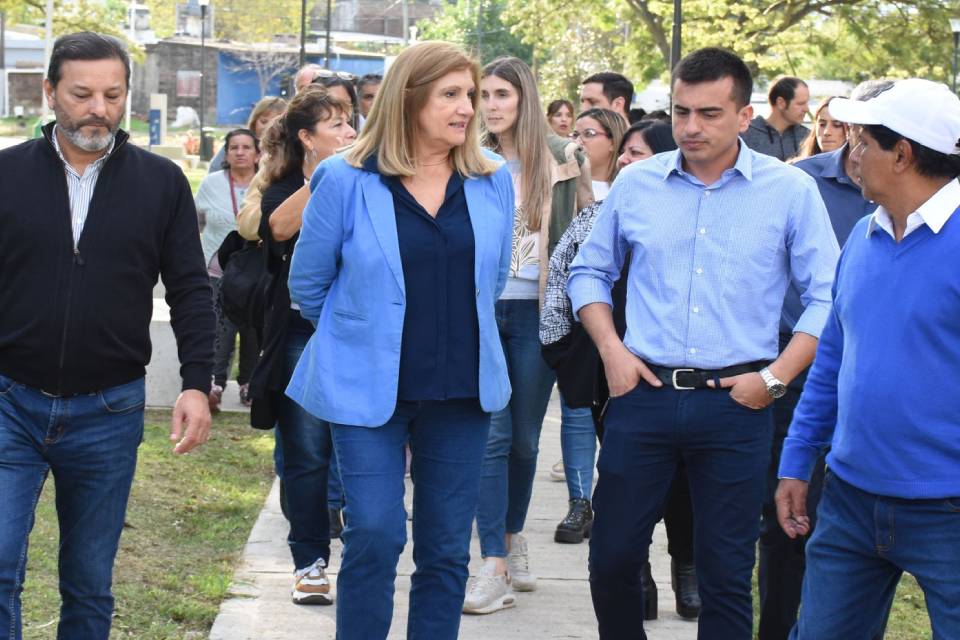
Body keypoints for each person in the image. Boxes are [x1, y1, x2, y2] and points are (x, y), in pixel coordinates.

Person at [568, 47, 838, 640]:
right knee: (611, 559)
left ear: (744, 115)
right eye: (681, 111)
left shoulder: (788, 190)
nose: (690, 127)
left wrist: (774, 379)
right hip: (643, 393)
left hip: (738, 402)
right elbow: (588, 272)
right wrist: (613, 351)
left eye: (709, 113)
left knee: (725, 575)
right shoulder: (638, 183)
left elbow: (828, 296)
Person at [285, 41, 514, 640]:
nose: (468, 108)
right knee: (375, 532)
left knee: (446, 548)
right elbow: (309, 284)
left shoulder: (493, 180)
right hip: (366, 392)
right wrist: (362, 336)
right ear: (408, 100)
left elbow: (491, 281)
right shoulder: (346, 177)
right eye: (451, 94)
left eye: (470, 94)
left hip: (462, 391)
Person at [0, 32, 214, 640]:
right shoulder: (6, 174)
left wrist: (196, 383)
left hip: (109, 411)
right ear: (50, 93)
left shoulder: (162, 182)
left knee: (89, 584)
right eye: (82, 94)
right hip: (9, 402)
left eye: (113, 95)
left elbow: (191, 288)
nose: (99, 108)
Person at [776, 78, 960, 640]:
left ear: (901, 154)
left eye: (861, 142)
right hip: (850, 501)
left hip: (948, 510)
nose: (848, 154)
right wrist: (797, 458)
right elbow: (832, 359)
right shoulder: (863, 235)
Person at [756, 80, 891, 640]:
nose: (850, 138)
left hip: (883, 402)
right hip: (802, 373)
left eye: (866, 130)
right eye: (847, 125)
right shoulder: (800, 183)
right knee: (789, 523)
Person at [463, 55, 593, 616]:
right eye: (483, 95)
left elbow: (587, 234)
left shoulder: (565, 157)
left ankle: (513, 536)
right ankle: (492, 561)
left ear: (525, 99)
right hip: (482, 310)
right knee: (491, 436)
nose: (490, 106)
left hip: (539, 313)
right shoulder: (467, 157)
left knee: (523, 439)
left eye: (502, 95)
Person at [249, 85, 355, 606]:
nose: (350, 132)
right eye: (337, 124)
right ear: (308, 139)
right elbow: (277, 228)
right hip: (299, 333)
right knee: (307, 454)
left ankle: (363, 551)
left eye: (351, 122)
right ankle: (309, 562)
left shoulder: (370, 181)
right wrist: (325, 178)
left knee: (360, 449)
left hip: (359, 333)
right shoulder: (286, 186)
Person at [195, 129, 260, 410]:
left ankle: (250, 383)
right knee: (219, 327)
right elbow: (196, 221)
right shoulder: (211, 183)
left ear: (257, 154)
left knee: (253, 328)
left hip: (257, 272)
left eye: (247, 147)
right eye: (234, 147)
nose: (240, 152)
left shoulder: (267, 181)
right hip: (217, 270)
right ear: (226, 153)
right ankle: (214, 383)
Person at [207, 95, 286, 174]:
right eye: (263, 122)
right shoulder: (238, 142)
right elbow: (214, 169)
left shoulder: (288, 150)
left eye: (274, 124)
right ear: (254, 121)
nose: (267, 127)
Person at [743, 76, 810, 161]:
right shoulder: (746, 134)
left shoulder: (807, 137)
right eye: (800, 104)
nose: (806, 109)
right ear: (781, 103)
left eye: (806, 103)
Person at [572, 107, 627, 200]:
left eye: (588, 133)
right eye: (575, 135)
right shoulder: (563, 184)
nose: (577, 142)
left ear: (613, 142)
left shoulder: (627, 191)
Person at [792, 96, 848, 161]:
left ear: (850, 129)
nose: (826, 132)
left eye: (837, 125)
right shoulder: (797, 166)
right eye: (822, 124)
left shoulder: (857, 167)